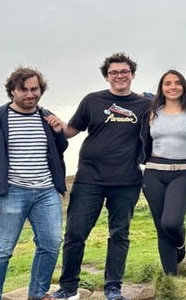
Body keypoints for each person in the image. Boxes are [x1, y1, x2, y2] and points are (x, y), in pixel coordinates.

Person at [51, 53, 151, 300]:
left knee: (119, 234)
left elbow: (170, 109)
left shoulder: (144, 105)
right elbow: (71, 130)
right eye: (114, 72)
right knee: (75, 234)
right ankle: (69, 287)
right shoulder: (92, 100)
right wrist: (56, 126)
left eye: (124, 72)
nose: (119, 76)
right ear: (107, 76)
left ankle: (113, 288)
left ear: (132, 75)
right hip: (89, 179)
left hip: (127, 180)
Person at [0, 66, 69, 300]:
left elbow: (58, 151)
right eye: (23, 89)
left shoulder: (46, 116)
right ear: (12, 90)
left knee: (51, 244)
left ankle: (38, 293)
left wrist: (58, 133)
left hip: (46, 192)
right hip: (10, 193)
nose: (29, 94)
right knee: (2, 250)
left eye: (34, 89)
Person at [142, 70, 186, 275]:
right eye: (167, 83)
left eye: (177, 83)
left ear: (183, 87)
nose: (173, 87)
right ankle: (171, 280)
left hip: (183, 173)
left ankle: (181, 242)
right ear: (162, 88)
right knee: (161, 228)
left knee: (171, 222)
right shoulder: (152, 113)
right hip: (154, 174)